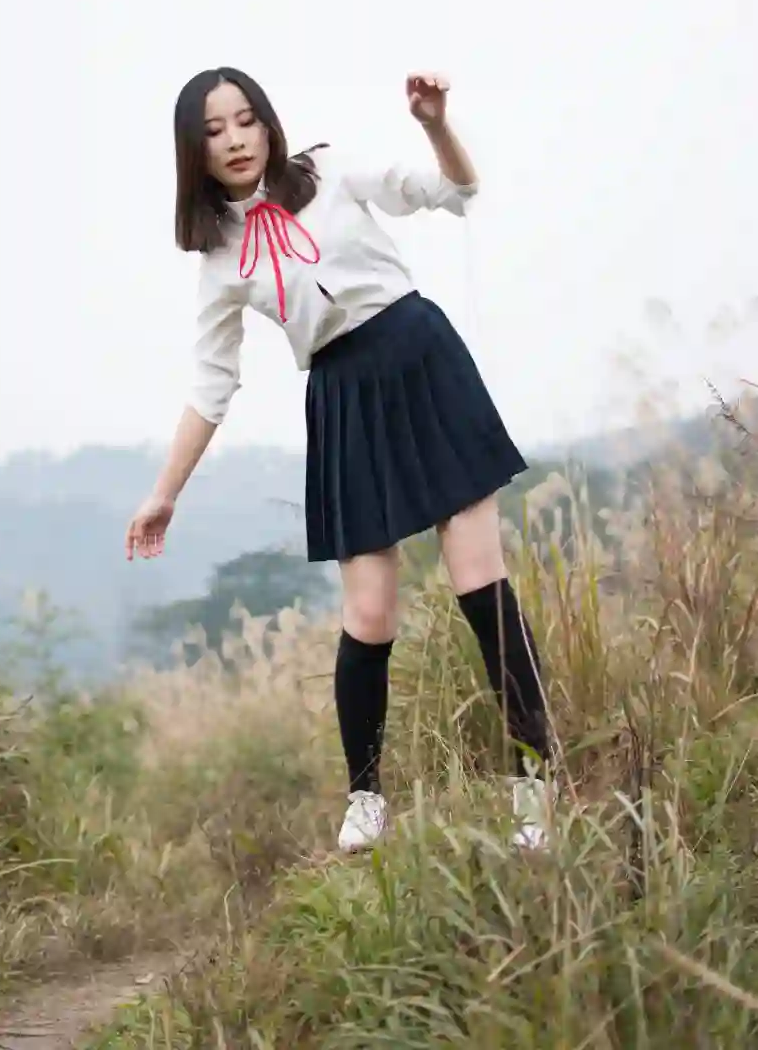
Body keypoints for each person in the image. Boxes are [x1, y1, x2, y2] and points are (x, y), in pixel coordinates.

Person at [125, 67, 553, 852]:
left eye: (245, 120)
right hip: (343, 397)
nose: (235, 140)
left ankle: (533, 787)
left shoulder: (329, 171)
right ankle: (365, 798)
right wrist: (164, 493)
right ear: (195, 150)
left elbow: (454, 189)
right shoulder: (219, 260)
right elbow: (212, 385)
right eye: (214, 131)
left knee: (478, 585)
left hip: (419, 361)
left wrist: (434, 123)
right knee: (368, 614)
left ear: (267, 124)